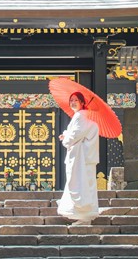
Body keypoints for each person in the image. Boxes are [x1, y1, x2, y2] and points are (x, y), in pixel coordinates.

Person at [57, 92, 100, 225]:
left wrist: (65, 140)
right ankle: (85, 215)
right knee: (85, 185)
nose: (73, 102)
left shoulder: (80, 116)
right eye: (71, 100)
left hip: (80, 159)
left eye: (76, 100)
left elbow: (74, 136)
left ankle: (84, 216)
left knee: (80, 185)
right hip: (83, 158)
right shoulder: (83, 117)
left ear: (82, 102)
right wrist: (67, 136)